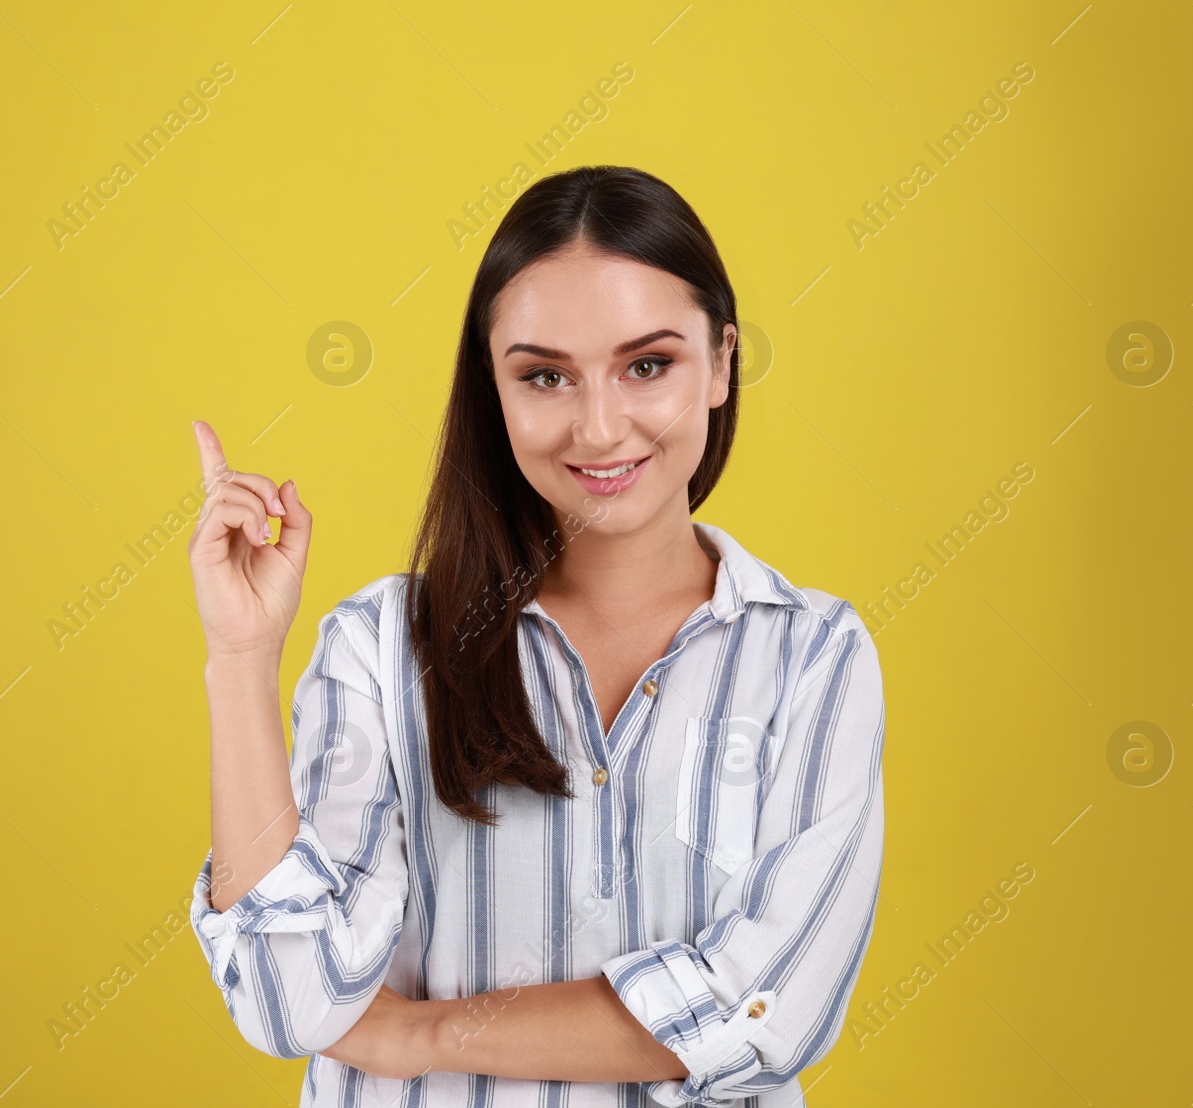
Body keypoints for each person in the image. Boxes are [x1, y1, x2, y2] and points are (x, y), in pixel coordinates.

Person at [185, 164, 886, 1107]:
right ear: (495, 389)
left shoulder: (813, 658)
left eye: (649, 365)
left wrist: (426, 1033)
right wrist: (239, 661)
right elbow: (285, 1000)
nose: (600, 428)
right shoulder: (382, 649)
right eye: (546, 376)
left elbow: (766, 1010)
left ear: (722, 362)